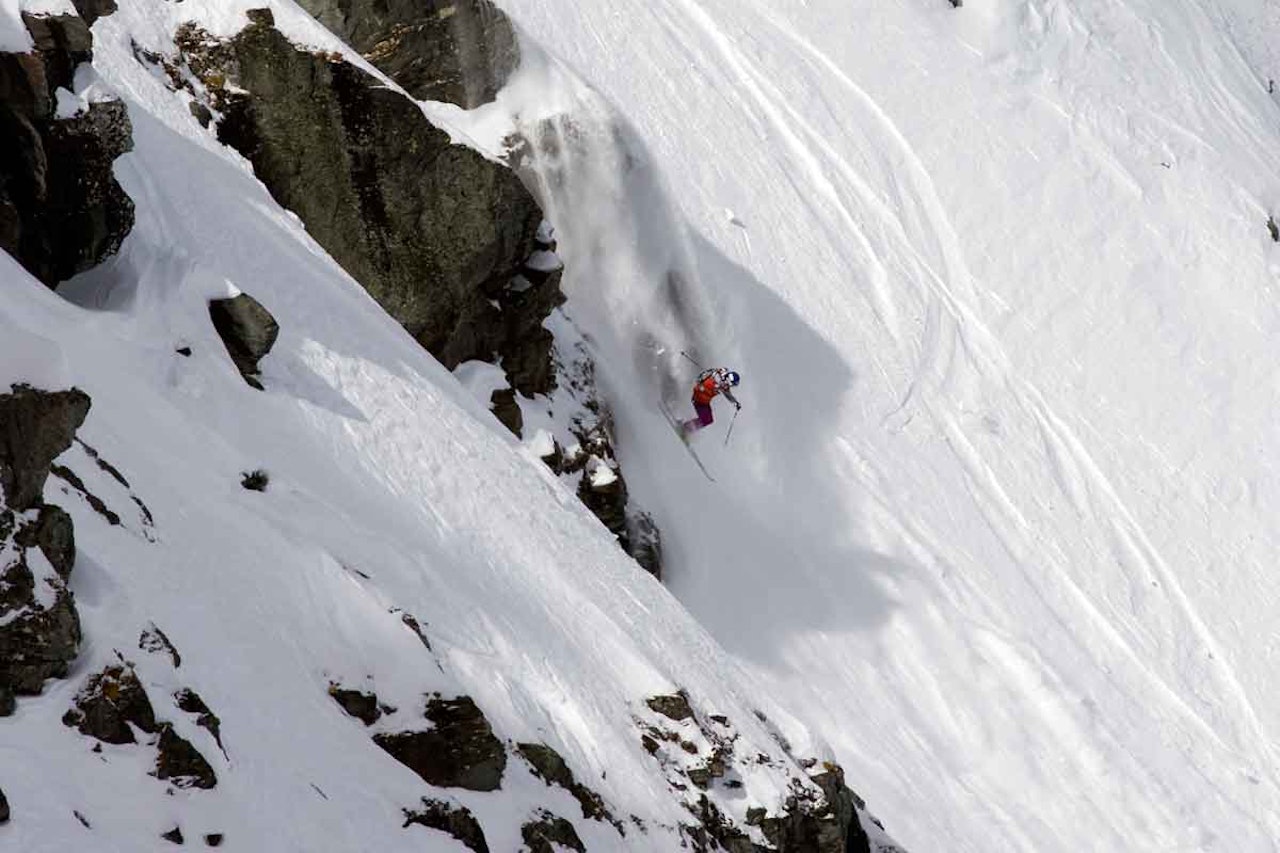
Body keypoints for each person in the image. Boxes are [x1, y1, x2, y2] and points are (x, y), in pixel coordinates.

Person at [681, 368, 741, 438]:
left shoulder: (724, 386)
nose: (728, 385)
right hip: (698, 398)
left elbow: (728, 394)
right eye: (730, 383)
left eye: (731, 385)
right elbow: (705, 374)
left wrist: (735, 403)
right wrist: (700, 381)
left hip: (704, 401)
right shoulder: (716, 376)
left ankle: (686, 427)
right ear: (728, 378)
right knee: (706, 419)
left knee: (708, 420)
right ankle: (685, 429)